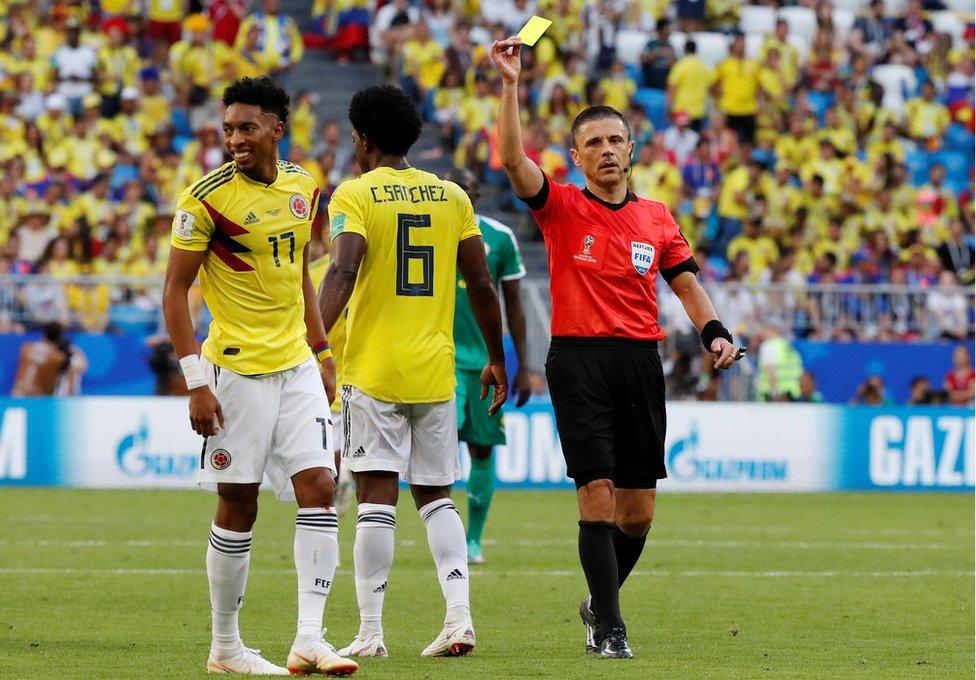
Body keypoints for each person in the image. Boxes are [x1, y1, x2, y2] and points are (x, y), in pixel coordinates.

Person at [490, 37, 744, 659]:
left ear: (631, 150)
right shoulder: (561, 207)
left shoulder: (657, 216)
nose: (605, 150)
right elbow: (513, 159)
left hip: (639, 364)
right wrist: (510, 86)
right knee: (596, 494)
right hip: (577, 362)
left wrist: (715, 332)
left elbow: (686, 285)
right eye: (592, 143)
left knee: (638, 513)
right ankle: (611, 629)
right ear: (576, 157)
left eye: (614, 141)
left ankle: (596, 603)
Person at [161, 76, 358, 677]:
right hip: (235, 371)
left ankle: (310, 639)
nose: (235, 140)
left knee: (321, 488)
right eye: (228, 129)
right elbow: (174, 290)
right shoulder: (205, 200)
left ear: (278, 127)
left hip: (296, 363)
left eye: (247, 128)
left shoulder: (304, 186)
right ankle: (226, 648)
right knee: (238, 501)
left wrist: (321, 352)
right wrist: (196, 380)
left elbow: (300, 269)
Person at [317, 85, 507, 659]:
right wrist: (497, 356)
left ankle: (371, 633)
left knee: (376, 498)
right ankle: (459, 619)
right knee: (437, 497)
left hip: (374, 371)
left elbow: (343, 269)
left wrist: (311, 346)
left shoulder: (355, 193)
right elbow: (480, 282)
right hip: (435, 372)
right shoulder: (452, 197)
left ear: (362, 139)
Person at [444, 167, 532, 565]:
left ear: (476, 195)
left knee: (480, 447)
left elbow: (513, 305)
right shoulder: (423, 231)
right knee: (438, 449)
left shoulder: (499, 238)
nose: (459, 196)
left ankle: (473, 540)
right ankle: (442, 537)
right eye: (451, 191)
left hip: (483, 363)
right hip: (437, 360)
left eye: (465, 190)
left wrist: (524, 366)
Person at [10, 322, 87, 396]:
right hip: (39, 399)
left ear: (44, 335)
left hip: (16, 395)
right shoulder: (59, 358)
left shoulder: (26, 348)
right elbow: (80, 367)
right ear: (60, 338)